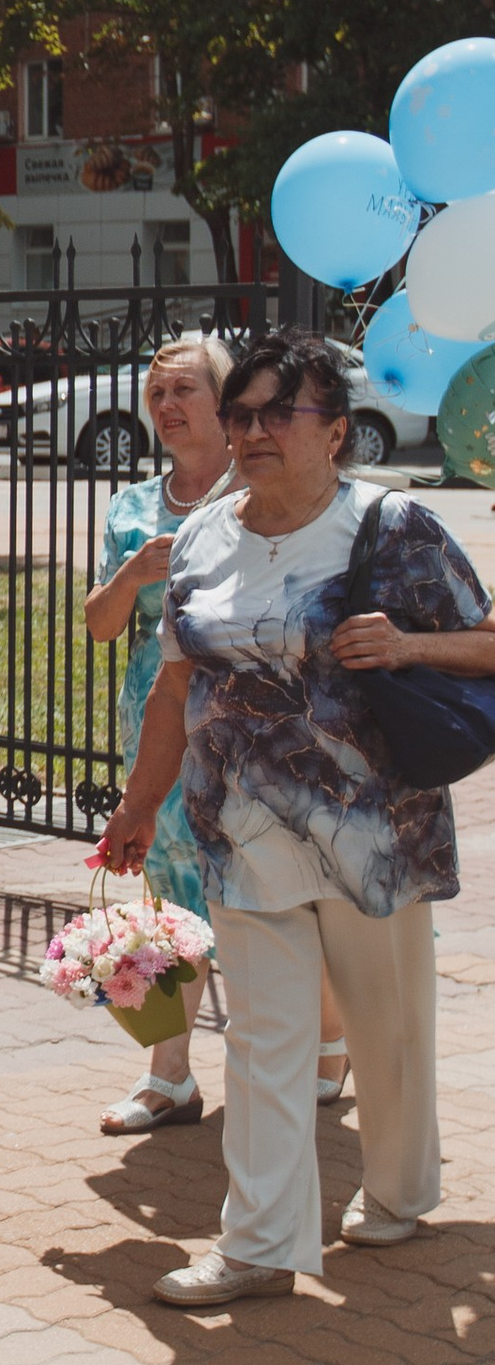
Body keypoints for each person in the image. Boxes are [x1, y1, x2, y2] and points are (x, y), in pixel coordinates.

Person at [100, 333, 495, 1307]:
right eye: (241, 413)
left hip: (373, 836)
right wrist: (140, 804)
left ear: (337, 432)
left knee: (385, 1034)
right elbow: (173, 689)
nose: (251, 431)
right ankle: (261, 1244)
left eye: (279, 413)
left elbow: (486, 641)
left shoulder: (388, 528)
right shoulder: (202, 536)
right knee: (262, 1040)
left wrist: (408, 644)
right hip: (240, 831)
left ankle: (398, 1195)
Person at [80, 330, 353, 1134]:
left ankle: (327, 1043)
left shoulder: (265, 487)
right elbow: (99, 625)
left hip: (251, 725)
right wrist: (134, 572)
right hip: (160, 718)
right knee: (172, 887)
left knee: (279, 884)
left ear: (224, 402)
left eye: (184, 391)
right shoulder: (131, 506)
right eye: (156, 394)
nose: (166, 407)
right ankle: (170, 1076)